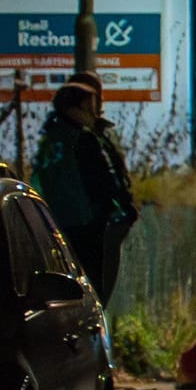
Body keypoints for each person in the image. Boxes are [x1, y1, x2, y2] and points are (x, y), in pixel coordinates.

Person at [30, 83, 134, 303]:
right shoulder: (82, 139)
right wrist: (120, 207)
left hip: (53, 223)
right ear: (75, 108)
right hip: (85, 222)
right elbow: (102, 180)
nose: (94, 113)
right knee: (92, 287)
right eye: (90, 106)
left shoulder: (50, 139)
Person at [71, 70, 139, 302]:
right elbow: (107, 178)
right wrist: (123, 209)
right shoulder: (85, 136)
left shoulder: (89, 132)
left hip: (94, 223)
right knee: (95, 291)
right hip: (94, 225)